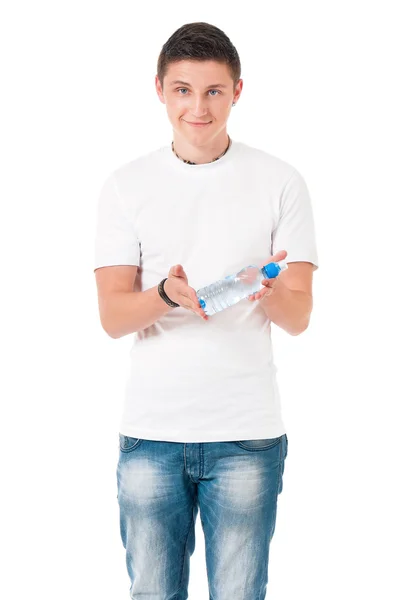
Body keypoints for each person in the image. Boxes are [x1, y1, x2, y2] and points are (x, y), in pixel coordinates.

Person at [93, 21, 319, 600]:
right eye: (183, 90)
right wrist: (165, 296)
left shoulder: (281, 182)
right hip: (152, 435)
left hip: (247, 436)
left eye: (214, 91)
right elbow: (113, 317)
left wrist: (265, 290)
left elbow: (300, 318)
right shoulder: (126, 185)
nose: (198, 107)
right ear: (161, 91)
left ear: (237, 91)